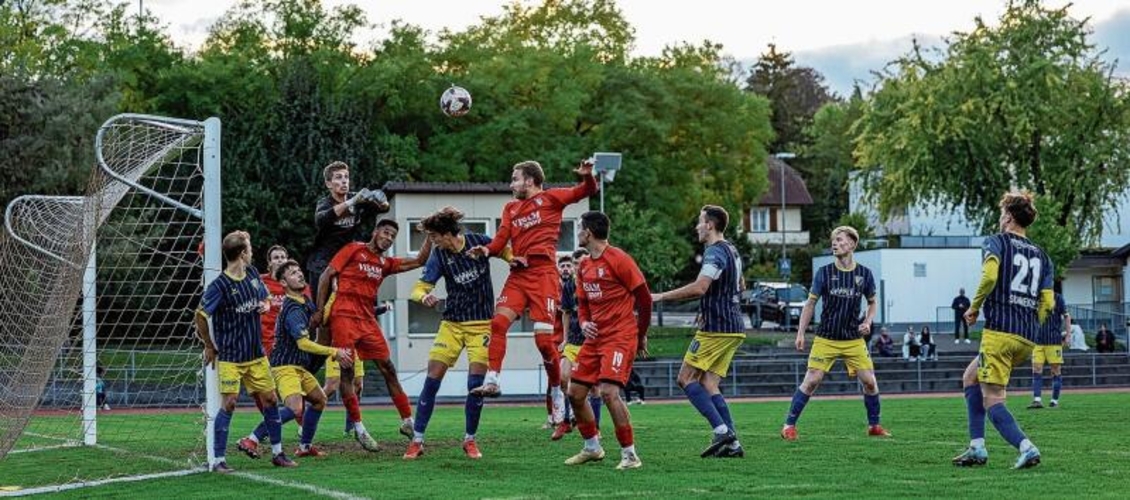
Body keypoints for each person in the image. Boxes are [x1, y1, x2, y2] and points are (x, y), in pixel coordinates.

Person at [467, 159, 598, 402]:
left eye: (515, 179)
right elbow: (499, 240)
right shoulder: (510, 209)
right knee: (497, 323)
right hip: (518, 276)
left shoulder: (552, 199)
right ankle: (493, 379)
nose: (511, 184)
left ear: (529, 180)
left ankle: (557, 389)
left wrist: (588, 176)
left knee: (543, 342)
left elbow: (587, 191)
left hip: (544, 275)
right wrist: (485, 251)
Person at [311, 219, 432, 452]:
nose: (388, 238)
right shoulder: (353, 249)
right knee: (346, 373)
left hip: (367, 320)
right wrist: (319, 309)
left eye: (392, 237)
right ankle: (358, 428)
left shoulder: (384, 263)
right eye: (386, 233)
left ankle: (407, 421)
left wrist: (429, 232)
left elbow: (420, 260)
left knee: (388, 367)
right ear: (375, 232)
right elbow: (327, 275)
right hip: (344, 315)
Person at [953, 190, 1051, 470]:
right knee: (970, 377)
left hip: (999, 333)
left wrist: (973, 308)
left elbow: (990, 275)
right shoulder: (1043, 256)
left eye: (1001, 213)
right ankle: (977, 447)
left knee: (993, 398)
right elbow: (1047, 302)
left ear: (1008, 216)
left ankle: (1026, 447)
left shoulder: (996, 242)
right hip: (1027, 337)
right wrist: (1032, 326)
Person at [402, 207, 508, 460]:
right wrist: (424, 296)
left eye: (434, 237)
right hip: (451, 324)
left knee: (475, 385)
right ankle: (417, 440)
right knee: (432, 377)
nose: (432, 242)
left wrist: (514, 259)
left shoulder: (478, 241)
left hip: (481, 325)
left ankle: (469, 440)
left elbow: (502, 249)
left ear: (448, 234)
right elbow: (418, 287)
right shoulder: (439, 255)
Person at [194, 230, 294, 473]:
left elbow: (267, 298)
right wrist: (209, 345)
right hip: (230, 357)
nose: (252, 252)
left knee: (270, 399)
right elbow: (200, 315)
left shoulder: (251, 274)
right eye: (249, 248)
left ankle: (278, 453)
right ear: (241, 253)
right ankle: (218, 460)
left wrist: (265, 305)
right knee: (229, 403)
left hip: (256, 355)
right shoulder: (220, 285)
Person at [651, 206, 747, 458]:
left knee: (685, 378)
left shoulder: (714, 252)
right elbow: (741, 285)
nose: (696, 227)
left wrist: (660, 296)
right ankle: (732, 444)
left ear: (710, 225)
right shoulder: (733, 250)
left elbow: (700, 287)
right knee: (709, 383)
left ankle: (721, 431)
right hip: (733, 326)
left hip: (716, 328)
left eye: (700, 222)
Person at [781, 225, 889, 442]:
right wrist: (800, 333)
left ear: (852, 244)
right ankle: (789, 426)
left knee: (870, 382)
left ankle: (874, 426)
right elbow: (810, 304)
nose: (835, 243)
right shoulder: (824, 273)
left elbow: (872, 302)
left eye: (840, 240)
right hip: (826, 338)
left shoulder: (864, 274)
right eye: (833, 240)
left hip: (853, 339)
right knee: (812, 380)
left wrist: (868, 321)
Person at [562, 211, 652, 470]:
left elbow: (644, 298)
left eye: (579, 228)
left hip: (620, 337)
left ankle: (630, 455)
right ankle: (592, 447)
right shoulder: (585, 266)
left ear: (588, 233)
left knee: (609, 392)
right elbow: (582, 303)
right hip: (595, 339)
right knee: (575, 393)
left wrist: (641, 333)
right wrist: (585, 321)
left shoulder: (619, 259)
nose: (577, 233)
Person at [240, 260, 353, 458]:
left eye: (299, 270)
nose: (299, 274)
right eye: (293, 273)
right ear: (283, 283)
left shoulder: (304, 301)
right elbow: (303, 344)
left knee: (319, 400)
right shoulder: (292, 309)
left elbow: (322, 318)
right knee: (294, 408)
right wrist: (334, 352)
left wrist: (335, 293)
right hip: (284, 367)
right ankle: (251, 439)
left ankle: (305, 446)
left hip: (298, 366)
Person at [304, 161, 390, 375]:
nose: (343, 181)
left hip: (346, 266)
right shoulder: (326, 204)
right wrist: (353, 200)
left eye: (346, 177)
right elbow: (322, 220)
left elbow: (384, 207)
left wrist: (380, 197)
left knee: (343, 318)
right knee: (322, 323)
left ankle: (368, 314)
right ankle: (300, 362)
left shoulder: (359, 200)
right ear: (328, 184)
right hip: (322, 266)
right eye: (338, 178)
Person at [552, 252, 604, 441]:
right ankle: (566, 421)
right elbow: (566, 313)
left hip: (591, 342)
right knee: (564, 378)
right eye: (575, 264)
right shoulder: (568, 286)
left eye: (580, 263)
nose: (577, 267)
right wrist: (565, 339)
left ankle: (596, 427)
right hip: (573, 341)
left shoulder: (595, 285)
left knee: (594, 388)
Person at [1029, 290, 1070, 409]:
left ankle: (1054, 401)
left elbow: (1067, 316)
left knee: (1055, 370)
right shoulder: (1035, 298)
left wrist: (1068, 335)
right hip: (1037, 341)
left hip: (1054, 341)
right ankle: (1037, 400)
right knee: (1036, 369)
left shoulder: (1058, 298)